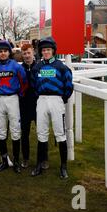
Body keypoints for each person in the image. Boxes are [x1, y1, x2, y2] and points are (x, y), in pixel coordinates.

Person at [31, 37, 73, 179]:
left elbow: (68, 85)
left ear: (53, 51)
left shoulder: (61, 67)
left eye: (48, 50)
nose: (46, 52)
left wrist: (62, 98)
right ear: (41, 52)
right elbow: (33, 85)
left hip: (57, 101)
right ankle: (39, 165)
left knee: (60, 134)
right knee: (41, 133)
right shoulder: (36, 67)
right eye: (43, 50)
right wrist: (40, 96)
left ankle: (63, 167)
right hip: (41, 100)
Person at [0, 40, 27, 174]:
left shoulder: (16, 66)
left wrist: (19, 94)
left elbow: (24, 82)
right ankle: (4, 160)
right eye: (0, 51)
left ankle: (16, 161)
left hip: (13, 99)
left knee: (15, 130)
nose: (3, 53)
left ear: (9, 52)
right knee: (0, 130)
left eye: (5, 51)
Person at [19, 44, 38, 169]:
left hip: (38, 105)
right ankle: (25, 158)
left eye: (28, 53)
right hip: (24, 105)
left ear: (33, 53)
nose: (27, 56)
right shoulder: (20, 69)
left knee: (41, 133)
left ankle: (43, 158)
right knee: (24, 134)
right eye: (24, 54)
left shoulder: (40, 67)